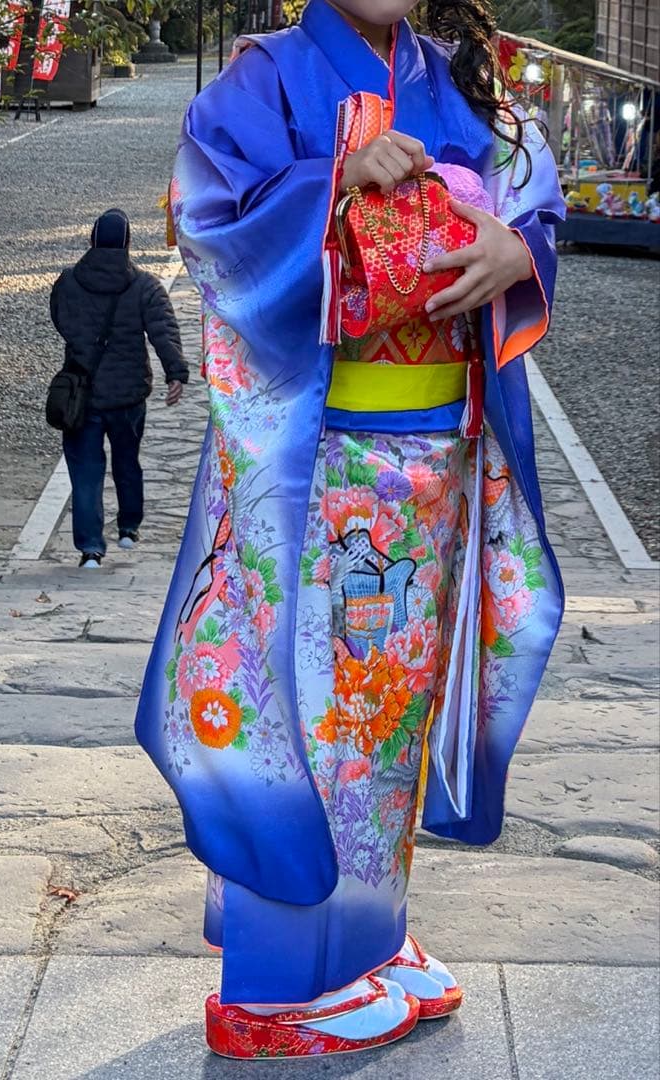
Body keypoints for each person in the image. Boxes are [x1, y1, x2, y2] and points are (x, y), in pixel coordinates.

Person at [136, 0, 565, 1059]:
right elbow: (205, 220)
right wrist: (332, 181)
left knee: (389, 716)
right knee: (314, 713)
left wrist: (519, 252)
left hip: (436, 464)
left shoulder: (450, 73)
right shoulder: (266, 77)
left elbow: (534, 202)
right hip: (322, 463)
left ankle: (367, 938)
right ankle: (277, 989)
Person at [50, 209, 188, 568]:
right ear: (128, 243)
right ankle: (128, 527)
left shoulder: (67, 282)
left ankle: (90, 548)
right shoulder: (145, 287)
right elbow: (164, 332)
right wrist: (176, 373)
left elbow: (61, 322)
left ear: (91, 240)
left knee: (85, 472)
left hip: (81, 394)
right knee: (127, 462)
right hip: (128, 395)